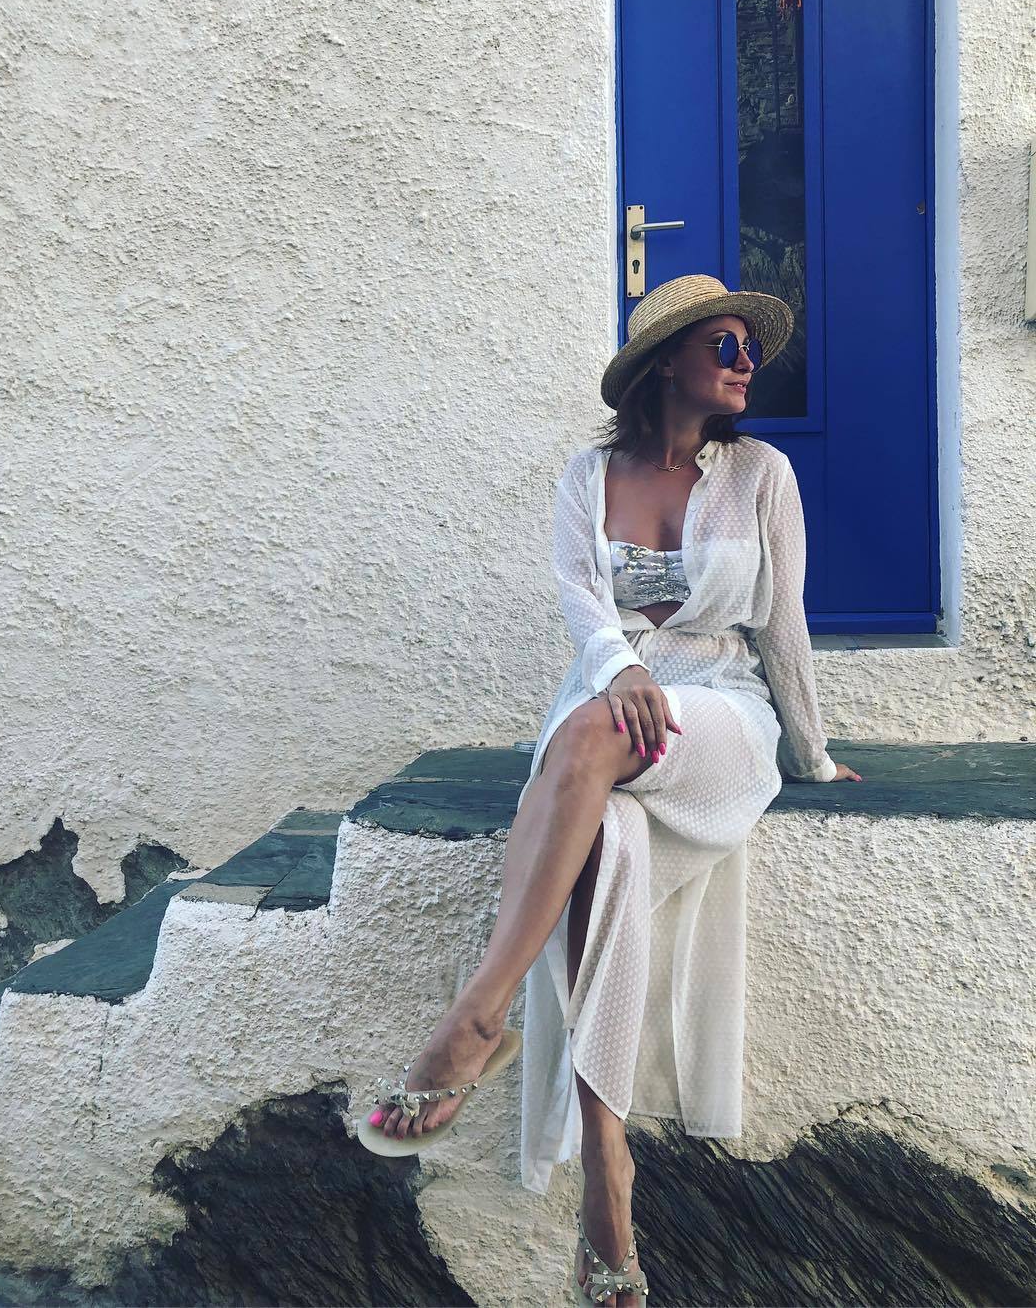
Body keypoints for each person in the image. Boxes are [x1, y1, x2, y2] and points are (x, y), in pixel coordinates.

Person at [357, 273, 862, 1306]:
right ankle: (606, 1163)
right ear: (665, 362)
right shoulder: (586, 477)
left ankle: (477, 1017)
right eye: (724, 345)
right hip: (609, 703)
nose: (746, 363)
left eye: (749, 349)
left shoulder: (762, 474)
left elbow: (784, 626)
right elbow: (585, 608)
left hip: (720, 710)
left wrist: (811, 753)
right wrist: (622, 668)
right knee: (611, 843)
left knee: (590, 740)